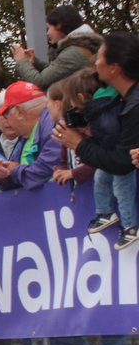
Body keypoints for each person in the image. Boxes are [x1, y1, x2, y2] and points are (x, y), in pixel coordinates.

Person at [53, 32, 139, 251]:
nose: (94, 63)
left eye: (99, 56)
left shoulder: (132, 106)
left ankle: (129, 225)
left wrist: (79, 145)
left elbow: (121, 161)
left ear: (114, 68)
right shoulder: (120, 102)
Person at [0, 81, 64, 191]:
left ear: (20, 112)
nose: (6, 120)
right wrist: (0, 176)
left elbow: (46, 170)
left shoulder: (53, 127)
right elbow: (18, 177)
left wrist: (14, 171)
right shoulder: (25, 135)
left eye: (6, 114)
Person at [11, 5, 102, 89]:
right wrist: (36, 62)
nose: (48, 33)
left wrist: (21, 61)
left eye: (49, 28)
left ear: (59, 26)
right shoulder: (80, 47)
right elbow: (58, 70)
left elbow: (40, 81)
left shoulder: (73, 53)